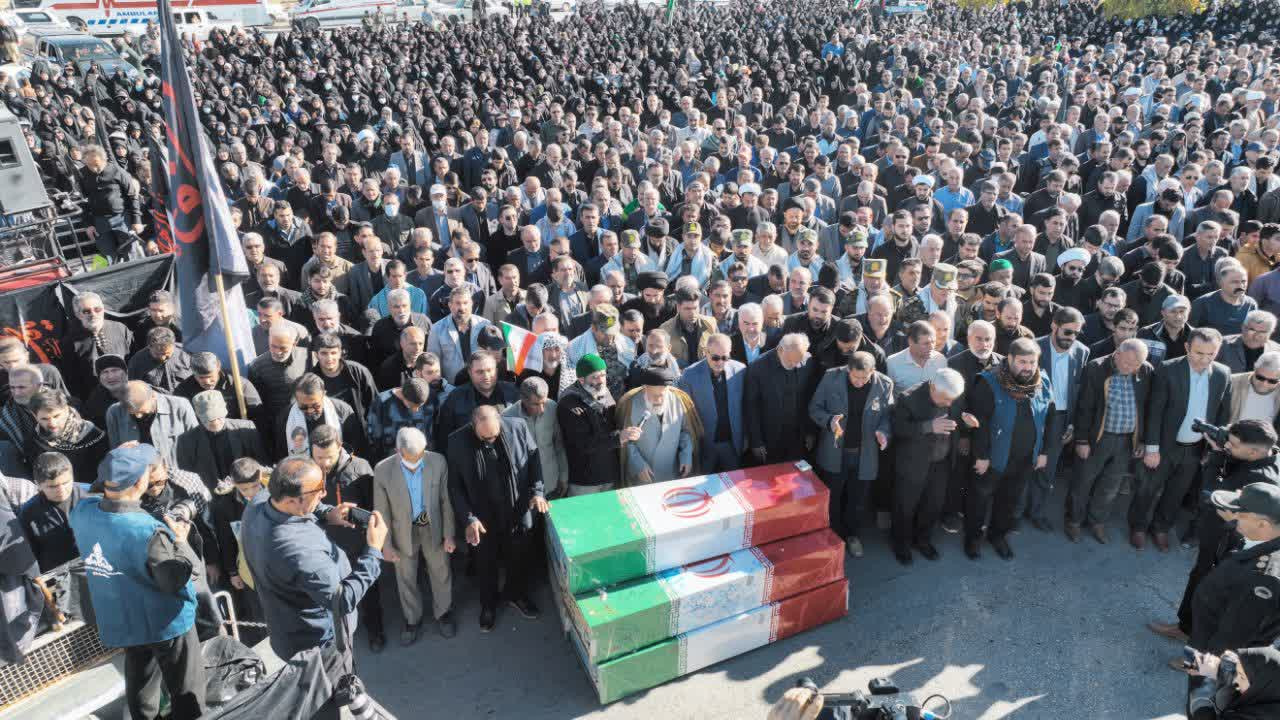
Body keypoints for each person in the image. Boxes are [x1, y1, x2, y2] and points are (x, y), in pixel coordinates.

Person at [241, 456, 386, 719]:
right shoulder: (298, 552)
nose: (324, 492)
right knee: (325, 700)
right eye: (318, 489)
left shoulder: (258, 504)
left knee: (328, 688)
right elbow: (342, 600)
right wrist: (374, 551)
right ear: (292, 500)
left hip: (287, 630)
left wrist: (326, 513)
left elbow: (309, 508)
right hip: (320, 647)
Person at [69, 444, 205, 720]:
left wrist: (114, 462)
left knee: (141, 688)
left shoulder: (82, 511)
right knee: (186, 691)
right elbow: (175, 579)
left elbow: (96, 495)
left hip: (123, 621)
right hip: (166, 624)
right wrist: (180, 541)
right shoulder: (147, 529)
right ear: (140, 482)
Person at [1151, 420, 1280, 647]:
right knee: (1199, 581)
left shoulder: (1259, 476)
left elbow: (1211, 497)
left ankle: (1196, 652)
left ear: (1253, 451)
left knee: (1209, 597)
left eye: (1234, 445)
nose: (1228, 446)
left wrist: (1217, 456)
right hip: (1220, 538)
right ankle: (1185, 628)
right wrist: (1228, 451)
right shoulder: (1264, 457)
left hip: (1226, 543)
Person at [446, 405, 546, 631]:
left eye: (495, 435)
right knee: (485, 561)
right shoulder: (456, 441)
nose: (491, 440)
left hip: (517, 507)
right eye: (486, 437)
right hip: (482, 515)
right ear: (473, 426)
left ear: (500, 421)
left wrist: (537, 492)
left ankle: (517, 595)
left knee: (519, 555)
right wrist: (469, 518)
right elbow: (455, 487)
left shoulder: (518, 427)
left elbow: (534, 460)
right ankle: (488, 605)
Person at [1136, 328, 1233, 552]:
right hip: (1164, 446)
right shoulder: (1168, 369)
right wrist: (1152, 448)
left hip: (1195, 449)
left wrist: (1214, 448)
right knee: (1148, 488)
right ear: (1187, 347)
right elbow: (1155, 412)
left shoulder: (1223, 373)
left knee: (1176, 492)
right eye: (1199, 353)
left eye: (1211, 354)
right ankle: (1138, 527)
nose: (1205, 359)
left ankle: (1161, 528)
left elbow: (1223, 413)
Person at [966, 338, 1055, 560]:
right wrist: (981, 456)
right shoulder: (989, 381)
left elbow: (1050, 418)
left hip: (1025, 458)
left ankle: (997, 536)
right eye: (1022, 362)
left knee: (1009, 501)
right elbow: (979, 423)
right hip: (993, 458)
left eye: (1032, 362)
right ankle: (973, 539)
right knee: (979, 499)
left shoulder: (1042, 380)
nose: (1028, 367)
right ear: (1010, 359)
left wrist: (1044, 452)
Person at [373, 427, 456, 644]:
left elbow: (446, 501)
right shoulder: (382, 470)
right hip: (402, 531)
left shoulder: (438, 461)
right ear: (398, 451)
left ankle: (444, 613)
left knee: (441, 570)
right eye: (412, 458)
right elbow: (382, 512)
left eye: (421, 455)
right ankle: (412, 619)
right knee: (405, 577)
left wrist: (449, 534)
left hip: (432, 526)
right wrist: (386, 545)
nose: (418, 461)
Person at [1067, 339, 1154, 543]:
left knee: (1111, 485)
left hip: (1127, 440)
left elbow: (1147, 407)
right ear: (1117, 354)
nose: (1132, 369)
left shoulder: (1146, 370)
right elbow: (1085, 406)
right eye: (1128, 363)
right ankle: (1074, 521)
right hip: (1098, 438)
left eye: (1137, 365)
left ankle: (1097, 521)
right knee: (1083, 481)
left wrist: (1142, 440)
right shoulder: (1096, 368)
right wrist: (1081, 440)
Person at [808, 351, 893, 558]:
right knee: (833, 498)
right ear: (848, 370)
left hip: (865, 455)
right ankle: (832, 538)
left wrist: (883, 432)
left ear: (873, 371)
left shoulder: (885, 384)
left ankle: (852, 536)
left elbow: (888, 416)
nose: (860, 382)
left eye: (865, 378)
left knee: (858, 499)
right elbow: (814, 408)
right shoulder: (831, 377)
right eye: (856, 377)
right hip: (835, 452)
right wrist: (829, 421)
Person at [891, 369, 976, 564]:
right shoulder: (908, 398)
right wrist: (928, 427)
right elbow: (898, 428)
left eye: (953, 400)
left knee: (933, 505)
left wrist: (967, 424)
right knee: (905, 506)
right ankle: (901, 544)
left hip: (941, 462)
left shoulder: (951, 396)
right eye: (946, 399)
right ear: (933, 388)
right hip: (913, 463)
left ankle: (923, 540)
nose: (950, 404)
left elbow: (956, 421)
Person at [1025, 307, 1091, 531]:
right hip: (1033, 416)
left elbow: (1079, 391)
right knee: (1023, 466)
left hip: (1061, 420)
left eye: (1076, 333)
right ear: (1054, 326)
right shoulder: (1034, 347)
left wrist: (1072, 423)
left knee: (1047, 470)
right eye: (1067, 332)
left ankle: (1036, 513)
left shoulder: (1082, 352)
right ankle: (1013, 513)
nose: (1072, 337)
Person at [616, 366, 701, 485]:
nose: (658, 400)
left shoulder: (679, 401)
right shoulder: (630, 405)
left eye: (662, 395)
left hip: (671, 472)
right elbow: (626, 442)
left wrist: (686, 456)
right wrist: (638, 465)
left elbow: (685, 432)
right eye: (654, 395)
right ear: (645, 389)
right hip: (643, 476)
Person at [744, 333, 820, 465]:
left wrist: (810, 431)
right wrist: (756, 442)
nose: (794, 365)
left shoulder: (808, 361)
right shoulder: (757, 368)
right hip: (769, 439)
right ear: (780, 350)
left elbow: (810, 398)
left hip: (797, 437)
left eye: (798, 361)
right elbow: (751, 408)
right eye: (790, 361)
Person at [557, 355, 626, 496]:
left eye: (603, 375)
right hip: (585, 481)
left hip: (609, 474)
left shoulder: (603, 391)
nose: (601, 380)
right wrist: (618, 438)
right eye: (594, 377)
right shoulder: (569, 403)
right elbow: (583, 444)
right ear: (581, 380)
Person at [677, 334, 746, 473]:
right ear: (705, 352)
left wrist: (746, 439)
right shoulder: (689, 375)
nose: (720, 362)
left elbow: (745, 407)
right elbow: (685, 417)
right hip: (704, 445)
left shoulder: (740, 370)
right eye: (715, 357)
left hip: (732, 444)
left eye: (725, 357)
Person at [175, 390, 266, 491]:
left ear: (225, 408)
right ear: (197, 415)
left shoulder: (246, 429)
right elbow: (187, 477)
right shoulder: (186, 441)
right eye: (209, 419)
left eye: (218, 417)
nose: (215, 422)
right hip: (211, 495)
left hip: (247, 490)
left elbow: (261, 464)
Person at [502, 377, 569, 498]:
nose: (542, 409)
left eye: (544, 402)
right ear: (523, 399)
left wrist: (564, 477)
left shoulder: (552, 407)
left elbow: (559, 444)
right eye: (536, 404)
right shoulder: (507, 418)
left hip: (552, 484)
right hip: (526, 490)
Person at [19, 452, 86, 572]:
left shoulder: (91, 497)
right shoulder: (28, 514)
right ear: (38, 484)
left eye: (66, 483)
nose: (61, 490)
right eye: (52, 486)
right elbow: (30, 553)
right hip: (58, 575)